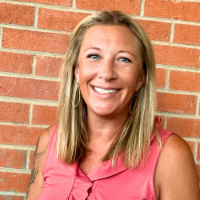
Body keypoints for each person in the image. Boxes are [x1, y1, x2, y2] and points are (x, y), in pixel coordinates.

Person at [26, 11, 199, 200]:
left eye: (123, 59)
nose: (107, 74)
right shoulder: (50, 141)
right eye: (94, 56)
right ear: (76, 70)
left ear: (141, 78)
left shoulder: (170, 156)